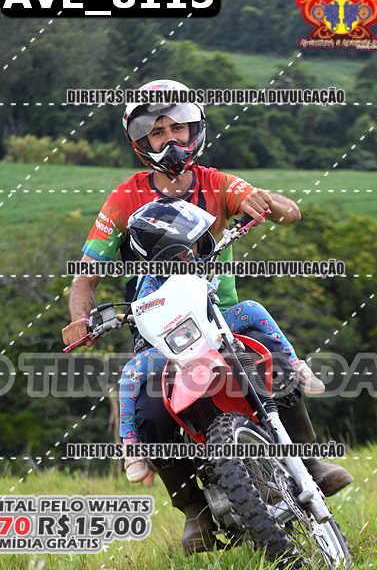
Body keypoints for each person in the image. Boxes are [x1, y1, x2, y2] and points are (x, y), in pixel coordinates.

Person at [62, 78, 352, 554]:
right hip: (159, 331)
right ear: (140, 141)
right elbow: (85, 277)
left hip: (222, 315)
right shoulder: (124, 198)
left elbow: (291, 213)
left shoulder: (217, 182)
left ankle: (309, 463)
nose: (169, 141)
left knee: (272, 363)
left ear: (194, 130)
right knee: (151, 409)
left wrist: (267, 202)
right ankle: (194, 512)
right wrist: (81, 318)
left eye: (177, 128)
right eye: (157, 132)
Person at [120, 196, 324, 483]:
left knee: (252, 309)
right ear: (159, 256)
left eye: (192, 245)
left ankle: (296, 365)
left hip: (214, 326)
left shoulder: (204, 256)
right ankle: (131, 446)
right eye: (179, 251)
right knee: (130, 373)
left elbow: (227, 239)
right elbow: (142, 312)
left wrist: (243, 226)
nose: (189, 253)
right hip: (171, 348)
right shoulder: (148, 283)